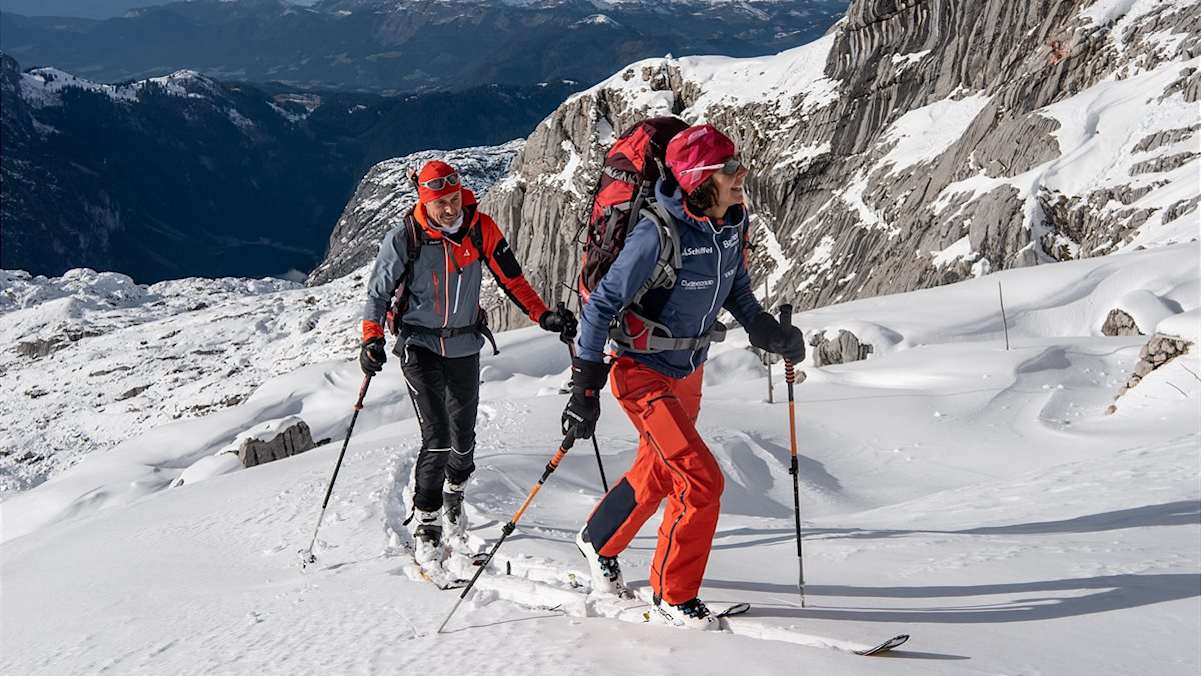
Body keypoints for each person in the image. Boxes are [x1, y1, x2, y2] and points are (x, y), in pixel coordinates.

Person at [561, 125, 805, 629]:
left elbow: (737, 293)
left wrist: (766, 331)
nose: (742, 176)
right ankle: (673, 596)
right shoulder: (657, 232)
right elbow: (602, 304)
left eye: (738, 165)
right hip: (641, 374)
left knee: (657, 472)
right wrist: (585, 384)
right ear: (699, 179)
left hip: (688, 371)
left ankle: (597, 540)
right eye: (730, 169)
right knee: (700, 481)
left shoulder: (731, 226)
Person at [361, 159, 576, 561]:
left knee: (463, 440)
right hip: (418, 345)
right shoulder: (404, 239)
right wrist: (371, 339)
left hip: (463, 344)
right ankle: (427, 519)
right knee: (438, 438)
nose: (450, 208)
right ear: (425, 201)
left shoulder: (481, 229)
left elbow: (512, 279)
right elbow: (377, 295)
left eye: (454, 197)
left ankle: (454, 492)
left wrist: (542, 315)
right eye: (440, 201)